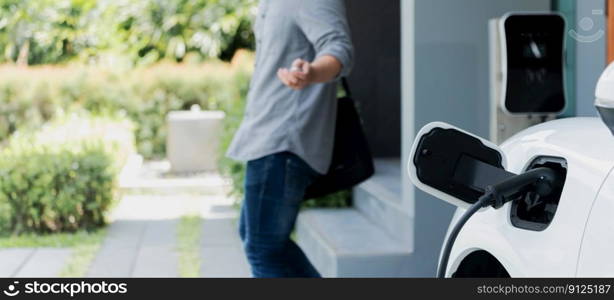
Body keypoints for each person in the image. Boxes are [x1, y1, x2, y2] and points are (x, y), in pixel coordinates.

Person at [226, 0, 354, 278]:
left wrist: (312, 72)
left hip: (283, 138)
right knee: (259, 239)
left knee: (264, 247)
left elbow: (339, 48)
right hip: (266, 134)